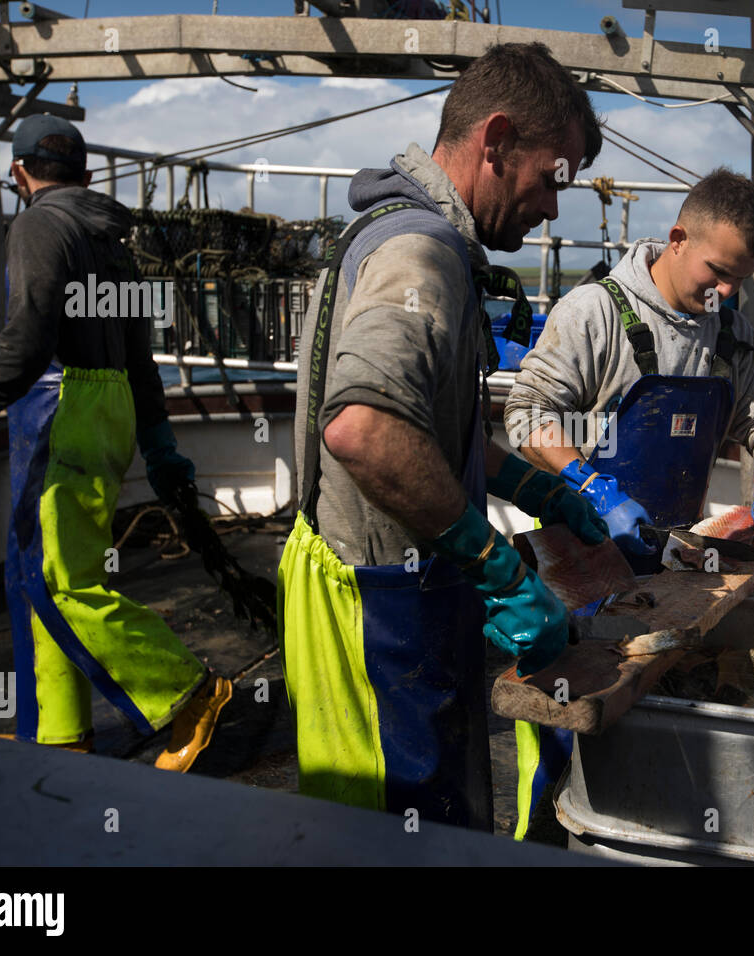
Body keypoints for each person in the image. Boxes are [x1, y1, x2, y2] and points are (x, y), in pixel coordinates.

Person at [277, 42, 607, 830]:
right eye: (551, 177)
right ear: (495, 141)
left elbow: (425, 432)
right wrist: (495, 566)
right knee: (399, 836)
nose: (554, 208)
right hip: (380, 609)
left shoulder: (413, 236)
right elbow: (365, 430)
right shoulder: (422, 255)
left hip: (392, 586)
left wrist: (536, 487)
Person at [0, 114, 230, 771]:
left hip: (62, 410)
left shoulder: (37, 223)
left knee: (59, 581)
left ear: (20, 174)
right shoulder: (112, 241)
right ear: (86, 176)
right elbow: (142, 361)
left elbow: (26, 345)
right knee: (34, 576)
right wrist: (161, 445)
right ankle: (55, 734)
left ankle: (188, 691)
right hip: (104, 406)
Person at [503, 167, 754, 838]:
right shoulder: (597, 312)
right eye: (717, 271)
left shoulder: (730, 333)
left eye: (740, 279)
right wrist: (592, 487)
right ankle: (545, 842)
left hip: (672, 564)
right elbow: (526, 415)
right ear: (677, 237)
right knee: (568, 735)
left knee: (654, 722)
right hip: (582, 564)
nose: (726, 292)